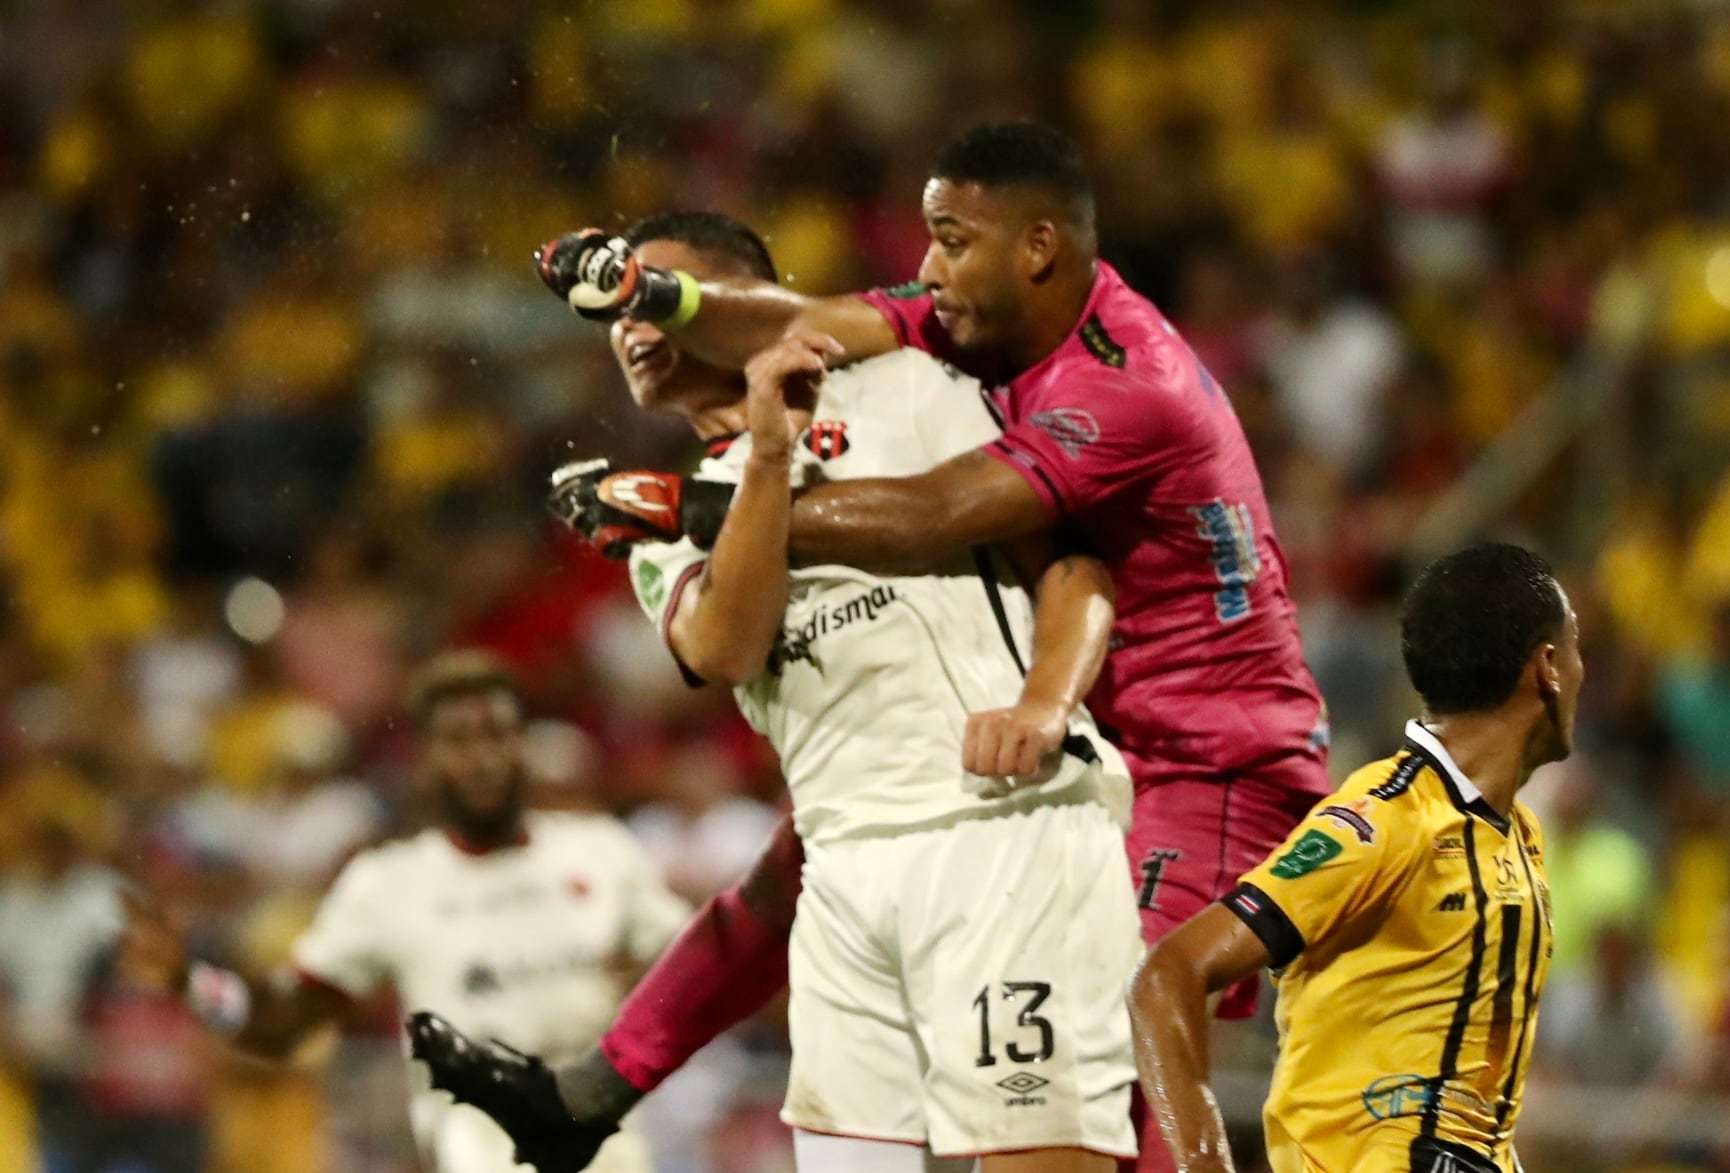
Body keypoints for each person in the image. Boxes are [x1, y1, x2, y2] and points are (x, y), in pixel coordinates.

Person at [532, 121, 1332, 1168]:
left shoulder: (1112, 380)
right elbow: (802, 317)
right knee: (820, 885)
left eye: (950, 240)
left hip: (1197, 755)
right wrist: (648, 294)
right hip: (1006, 781)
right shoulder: (957, 331)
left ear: (1035, 246)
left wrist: (695, 508)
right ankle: (601, 1082)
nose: (924, 268)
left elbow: (938, 513)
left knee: (1134, 1032)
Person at [414, 211, 1144, 1173]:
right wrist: (764, 452)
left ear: (737, 304)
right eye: (615, 311)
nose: (629, 323)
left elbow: (1068, 562)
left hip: (1002, 829)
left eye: (658, 293)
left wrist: (1046, 702)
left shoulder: (907, 386)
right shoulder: (656, 520)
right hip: (841, 876)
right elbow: (724, 643)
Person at [121, 651, 689, 1173]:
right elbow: (283, 1023)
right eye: (459, 740)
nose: (483, 757)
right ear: (424, 760)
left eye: (498, 732)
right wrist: (188, 981)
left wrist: (652, 991)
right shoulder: (390, 884)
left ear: (523, 744)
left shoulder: (599, 851)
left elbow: (702, 973)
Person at [1128, 543, 1580, 1173]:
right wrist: (1206, 1163)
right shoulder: (1382, 821)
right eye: (1577, 647)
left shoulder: (1517, 831)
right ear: (1549, 667)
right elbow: (1165, 976)